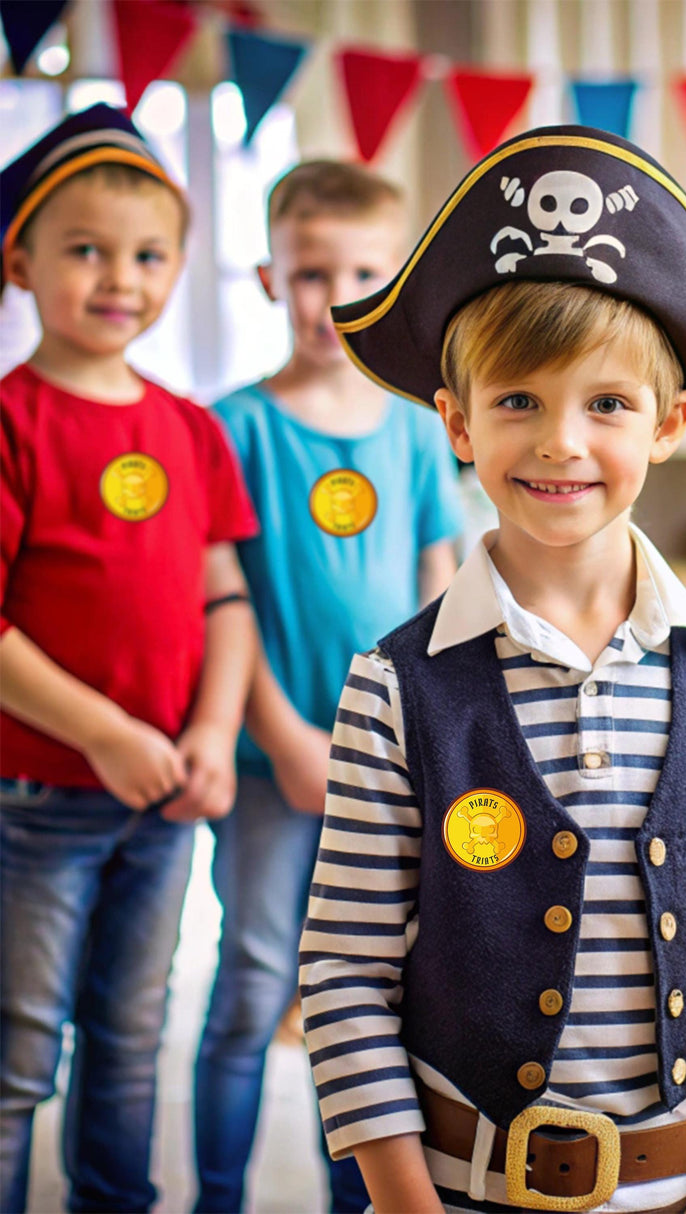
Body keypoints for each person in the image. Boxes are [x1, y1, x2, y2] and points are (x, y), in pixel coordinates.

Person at [298, 126, 686, 1213]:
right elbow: (345, 972)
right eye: (518, 400)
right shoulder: (394, 686)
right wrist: (405, 1202)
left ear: (670, 423)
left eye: (607, 404)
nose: (560, 441)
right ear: (456, 423)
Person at [0, 104, 257, 1213]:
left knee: (131, 1036)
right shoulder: (12, 421)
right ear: (21, 262)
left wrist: (213, 731)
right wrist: (104, 732)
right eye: (87, 251)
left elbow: (225, 597)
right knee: (18, 1047)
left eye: (149, 255)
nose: (121, 278)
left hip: (162, 801)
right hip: (38, 799)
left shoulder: (191, 429)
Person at [194, 160, 463, 1214]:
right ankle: (218, 1194)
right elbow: (223, 606)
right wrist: (285, 734)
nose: (334, 300)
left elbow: (437, 592)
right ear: (270, 278)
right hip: (274, 765)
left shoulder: (416, 426)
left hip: (385, 770)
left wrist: (411, 743)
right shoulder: (233, 428)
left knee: (360, 1003)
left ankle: (357, 1201)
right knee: (254, 983)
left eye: (362, 276)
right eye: (311, 273)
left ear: (394, 286)